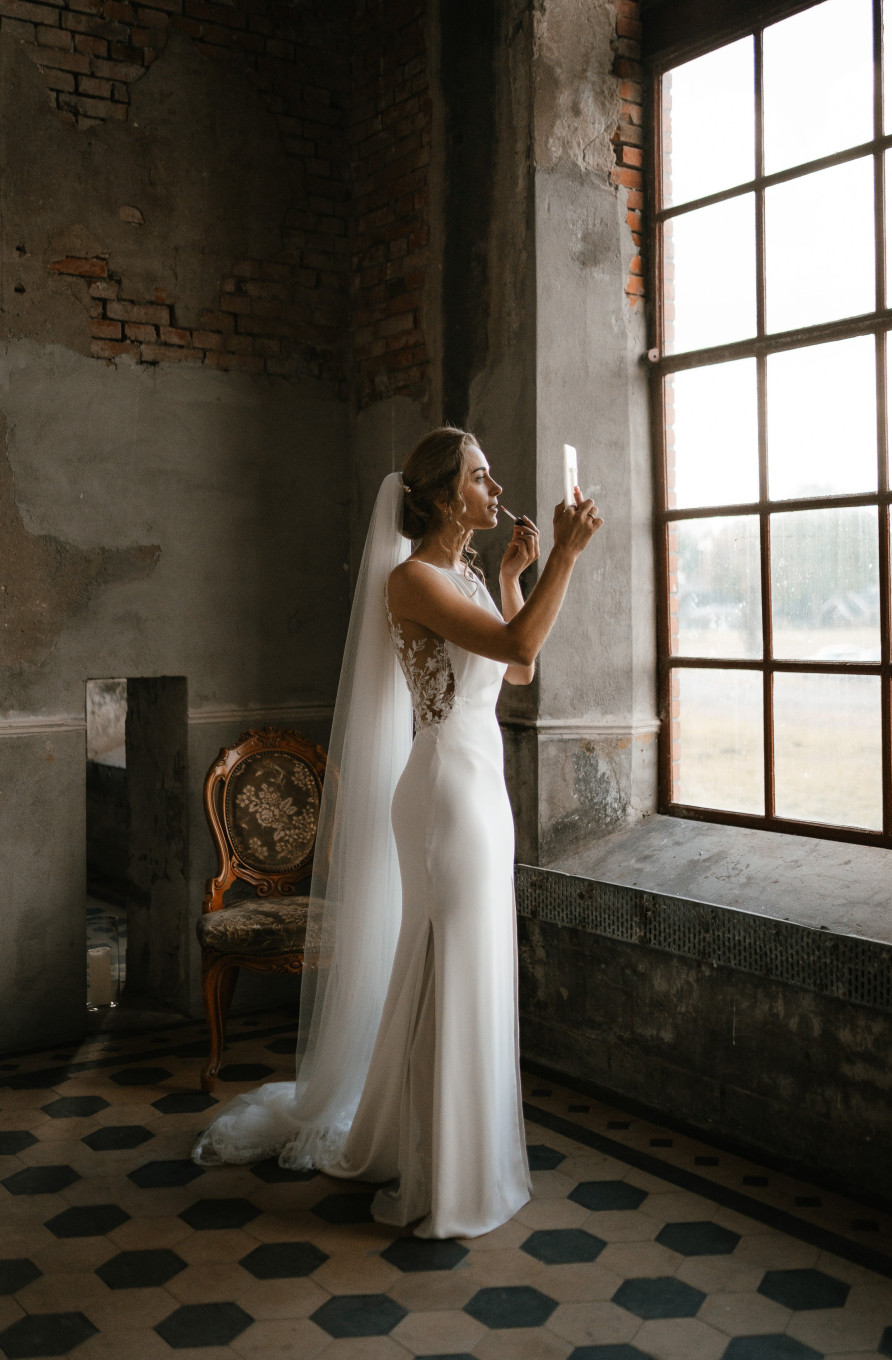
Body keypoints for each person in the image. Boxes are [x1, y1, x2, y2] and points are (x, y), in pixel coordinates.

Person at [193, 426, 603, 1239]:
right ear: (446, 497)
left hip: (482, 788)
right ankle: (438, 1170)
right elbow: (518, 644)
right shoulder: (411, 579)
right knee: (445, 962)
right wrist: (566, 555)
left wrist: (515, 575)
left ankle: (453, 1152)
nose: (496, 490)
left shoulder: (470, 575)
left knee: (471, 961)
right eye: (481, 478)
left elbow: (519, 668)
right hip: (445, 790)